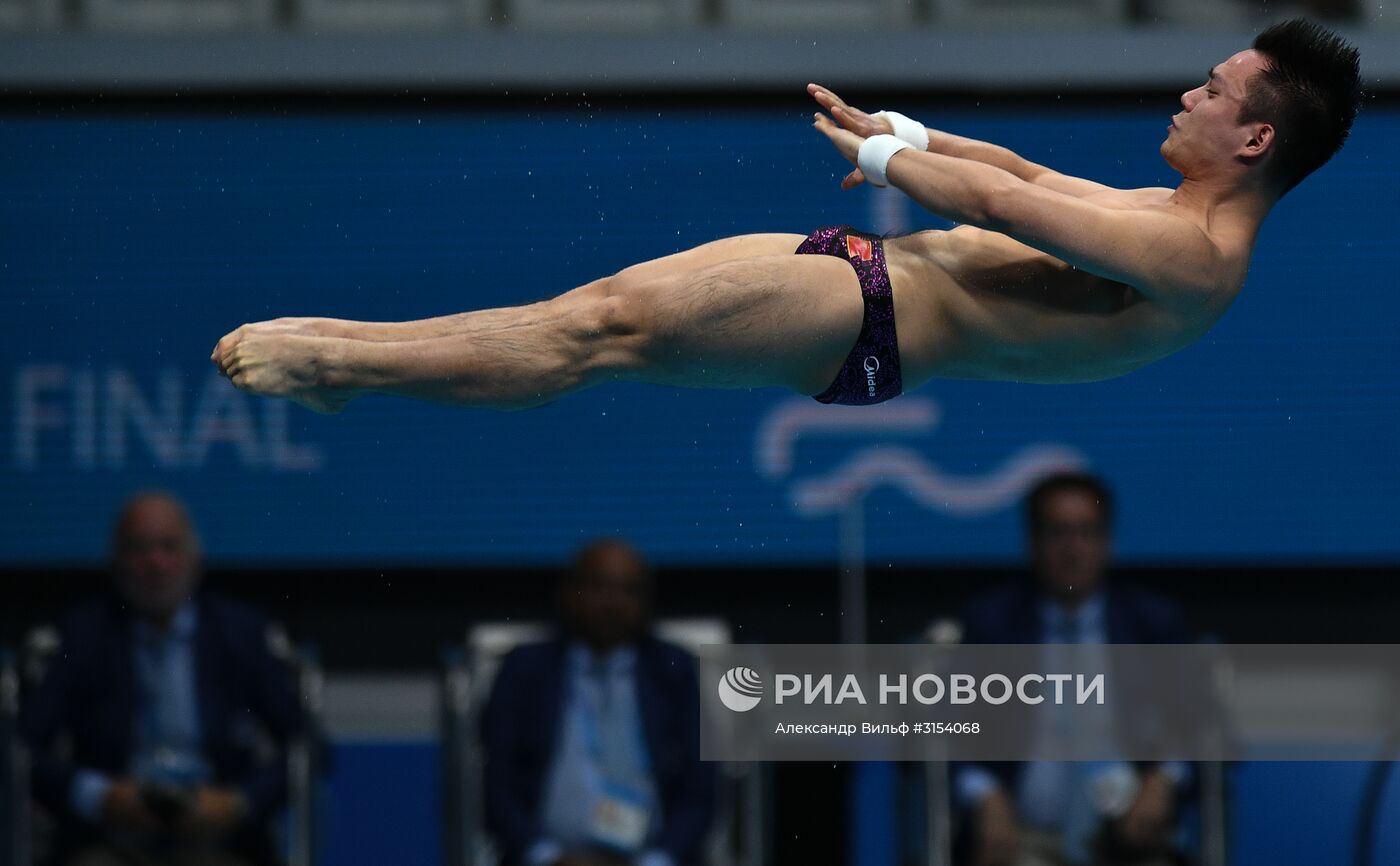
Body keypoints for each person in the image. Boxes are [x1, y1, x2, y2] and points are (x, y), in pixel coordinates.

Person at [211, 19, 1358, 416]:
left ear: (1254, 139)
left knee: (593, 339)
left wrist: (885, 157)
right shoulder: (1167, 212)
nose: (1186, 96)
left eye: (1210, 92)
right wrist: (908, 130)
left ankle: (337, 353)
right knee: (587, 311)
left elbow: (1007, 205)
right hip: (858, 275)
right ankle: (350, 366)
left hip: (866, 319)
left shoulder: (1195, 259)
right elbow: (1018, 169)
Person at [19, 492, 304, 866]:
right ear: (116, 561)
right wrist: (97, 796)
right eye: (139, 549)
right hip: (107, 839)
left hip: (217, 841)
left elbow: (307, 748)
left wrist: (239, 803)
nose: (156, 563)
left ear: (195, 558)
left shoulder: (241, 634)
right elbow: (23, 749)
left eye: (169, 547)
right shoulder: (81, 635)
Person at [954, 472, 1194, 866]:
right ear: (1032, 542)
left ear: (1108, 542)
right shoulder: (992, 624)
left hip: (1129, 841)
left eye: (1087, 532)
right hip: (1022, 841)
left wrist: (1165, 778)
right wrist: (985, 796)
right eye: (1057, 533)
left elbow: (1203, 724)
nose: (1072, 549)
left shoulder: (1151, 624)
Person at [479, 539, 715, 866]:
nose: (613, 603)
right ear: (569, 592)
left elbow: (700, 791)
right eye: (599, 587)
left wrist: (657, 861)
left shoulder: (674, 670)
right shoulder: (527, 669)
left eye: (628, 590)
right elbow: (497, 786)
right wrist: (545, 855)